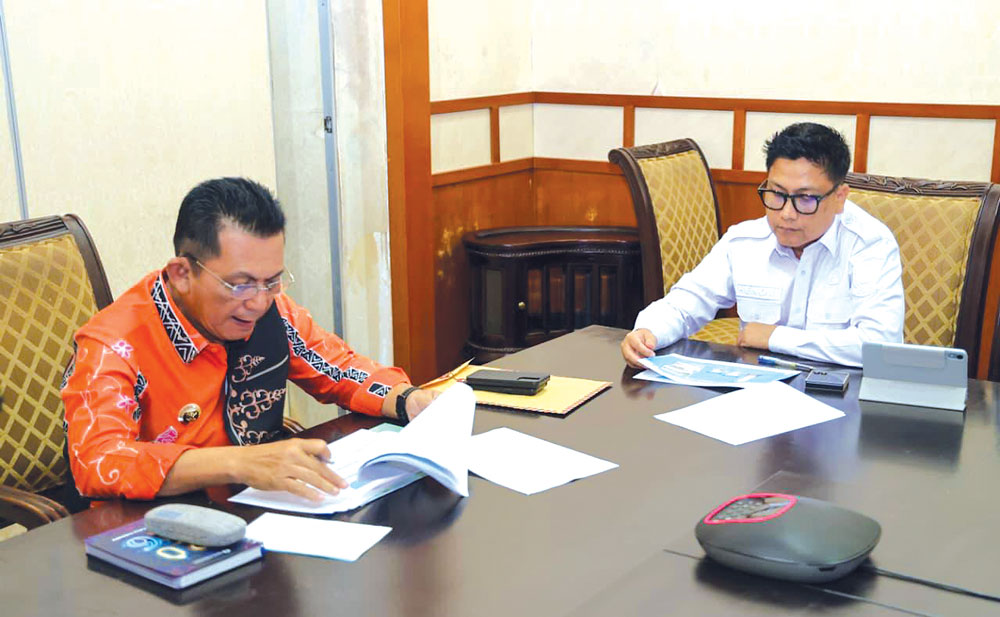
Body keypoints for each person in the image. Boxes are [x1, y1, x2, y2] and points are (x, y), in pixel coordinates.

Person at [62, 177, 438, 502]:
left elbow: (338, 368)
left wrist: (406, 399)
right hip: (153, 527)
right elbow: (98, 459)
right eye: (239, 285)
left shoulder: (271, 310)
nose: (259, 303)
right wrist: (239, 463)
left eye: (272, 281)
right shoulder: (114, 344)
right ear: (181, 274)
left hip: (258, 506)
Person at [621, 122, 903, 368]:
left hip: (840, 395)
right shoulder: (745, 241)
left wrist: (775, 337)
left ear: (840, 197)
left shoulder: (870, 245)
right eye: (777, 194)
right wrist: (648, 332)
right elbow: (685, 303)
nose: (787, 214)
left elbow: (879, 347)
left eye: (805, 199)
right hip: (759, 389)